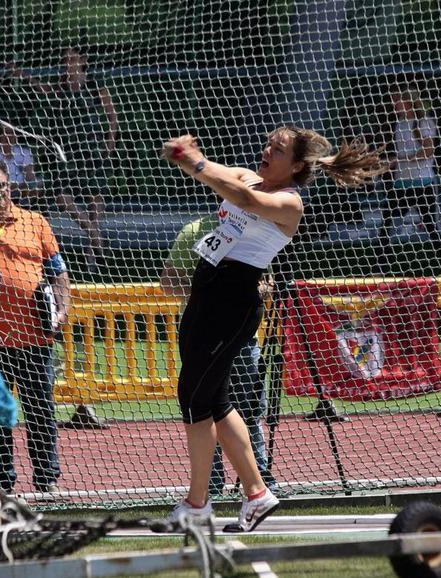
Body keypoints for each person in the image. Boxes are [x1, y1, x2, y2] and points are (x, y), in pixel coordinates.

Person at [161, 127, 385, 532]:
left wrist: (194, 162)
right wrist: (194, 158)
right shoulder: (249, 175)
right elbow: (229, 177)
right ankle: (258, 494)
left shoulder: (288, 203)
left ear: (297, 165)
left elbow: (244, 199)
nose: (266, 150)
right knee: (213, 401)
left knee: (194, 399)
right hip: (205, 294)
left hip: (231, 303)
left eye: (277, 149)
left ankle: (197, 504)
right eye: (268, 143)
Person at [160, 213, 279, 496]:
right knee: (202, 407)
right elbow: (168, 281)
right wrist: (208, 290)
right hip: (203, 335)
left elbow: (269, 281)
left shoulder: (257, 231)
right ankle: (211, 486)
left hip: (242, 338)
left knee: (249, 411)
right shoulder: (195, 231)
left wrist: (245, 290)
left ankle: (260, 479)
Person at [0, 161, 71, 494]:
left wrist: (61, 309)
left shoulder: (35, 221)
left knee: (41, 411)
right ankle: (1, 483)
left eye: (2, 186)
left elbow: (57, 271)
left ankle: (47, 480)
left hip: (34, 337)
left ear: (10, 188)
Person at [12, 47, 119, 272]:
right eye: (65, 59)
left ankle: (92, 255)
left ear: (81, 60)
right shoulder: (61, 87)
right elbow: (46, 90)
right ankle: (95, 237)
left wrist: (109, 142)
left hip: (92, 148)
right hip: (68, 152)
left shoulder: (94, 84)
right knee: (62, 196)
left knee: (95, 197)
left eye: (71, 59)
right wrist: (24, 76)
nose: (67, 63)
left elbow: (112, 115)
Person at [375, 83, 441, 274]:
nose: (395, 104)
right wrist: (390, 163)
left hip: (423, 184)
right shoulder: (399, 123)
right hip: (401, 184)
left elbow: (428, 152)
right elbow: (403, 154)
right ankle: (380, 269)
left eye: (398, 100)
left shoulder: (423, 121)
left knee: (432, 229)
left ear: (409, 101)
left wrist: (401, 159)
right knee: (386, 227)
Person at [0, 125, 41, 209]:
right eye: (7, 132)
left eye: (13, 132)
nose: (10, 136)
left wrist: (32, 186)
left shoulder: (24, 153)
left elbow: (30, 177)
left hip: (21, 192)